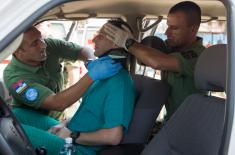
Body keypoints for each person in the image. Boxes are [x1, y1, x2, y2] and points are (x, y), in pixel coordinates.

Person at [22, 19, 135, 155]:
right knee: (16, 115)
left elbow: (114, 136)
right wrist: (63, 124)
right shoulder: (101, 75)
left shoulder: (119, 82)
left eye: (101, 35)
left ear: (116, 43)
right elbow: (87, 114)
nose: (94, 39)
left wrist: (73, 135)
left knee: (13, 131)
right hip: (69, 131)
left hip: (77, 148)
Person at [3, 26, 122, 131]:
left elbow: (83, 50)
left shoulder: (49, 45)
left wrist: (90, 62)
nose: (43, 44)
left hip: (60, 121)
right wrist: (91, 76)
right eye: (34, 44)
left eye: (41, 38)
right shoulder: (15, 78)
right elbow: (56, 103)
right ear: (18, 52)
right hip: (32, 125)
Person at [103, 1, 205, 118]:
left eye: (174, 28)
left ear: (193, 30)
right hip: (171, 121)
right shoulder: (172, 48)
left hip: (191, 126)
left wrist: (128, 42)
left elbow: (158, 62)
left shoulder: (199, 56)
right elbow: (146, 58)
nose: (167, 32)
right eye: (168, 26)